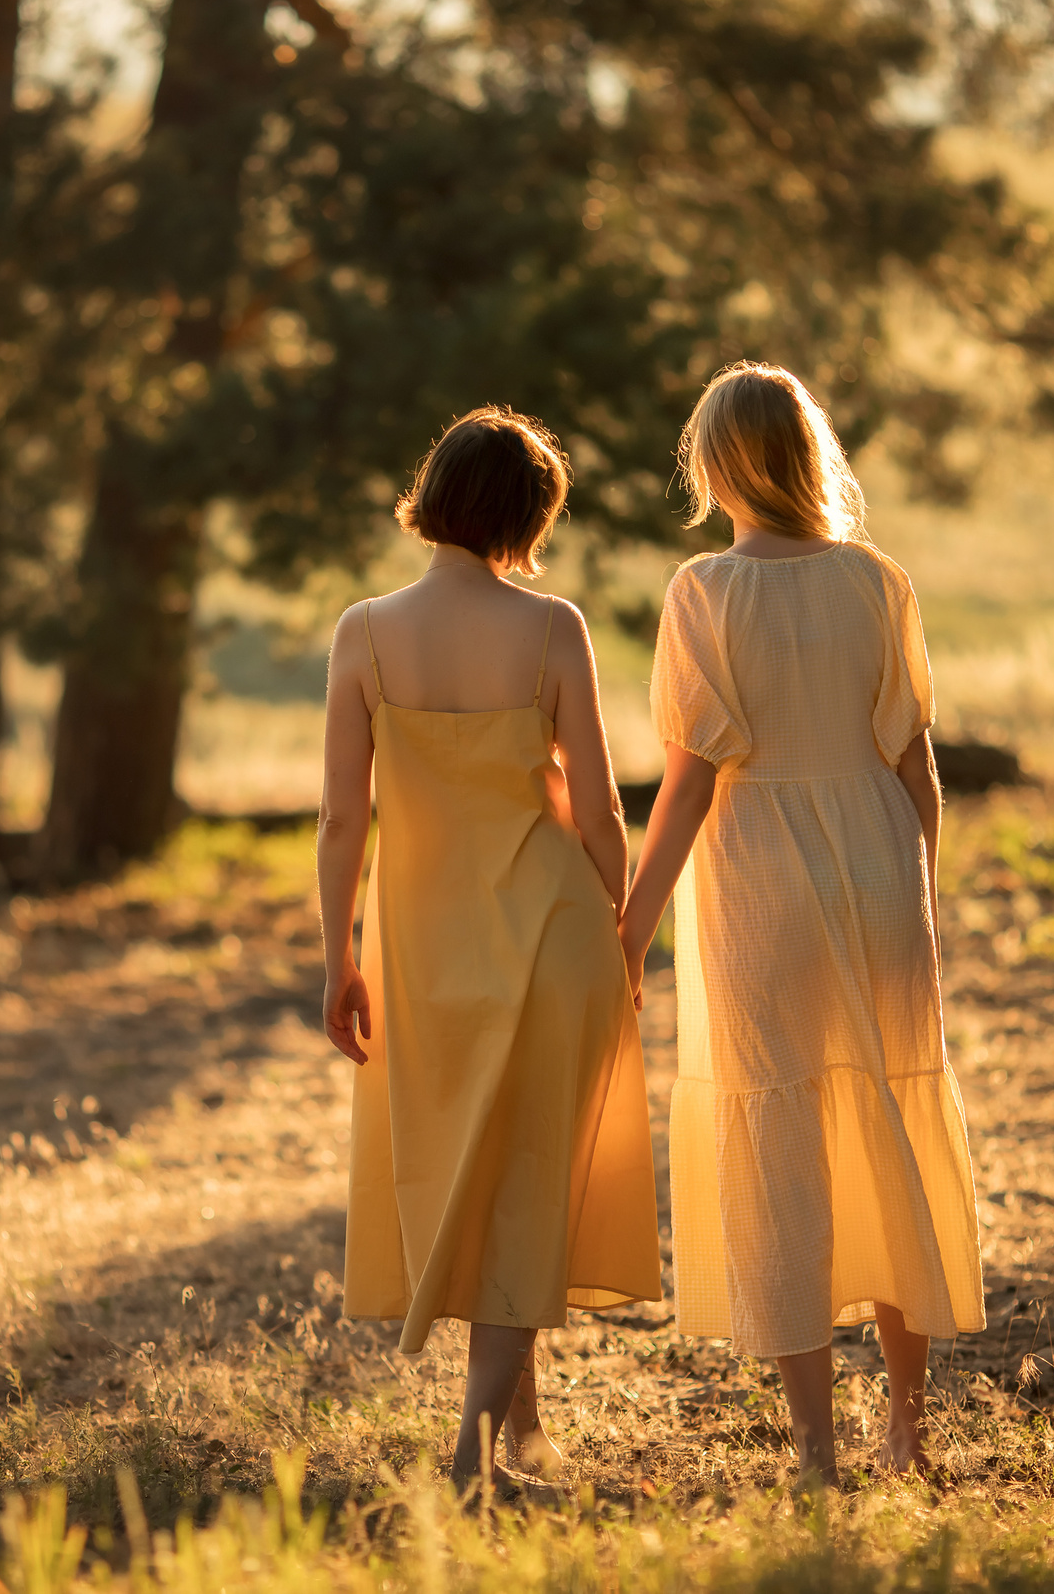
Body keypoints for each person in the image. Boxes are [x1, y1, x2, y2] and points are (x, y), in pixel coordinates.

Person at [616, 363, 983, 1484]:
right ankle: (908, 1431)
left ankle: (817, 1451)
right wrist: (919, 897)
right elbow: (914, 764)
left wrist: (628, 931)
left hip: (758, 881)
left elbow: (684, 786)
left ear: (718, 466)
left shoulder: (702, 592)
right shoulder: (879, 580)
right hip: (879, 865)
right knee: (889, 1126)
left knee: (779, 1145)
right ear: (808, 453)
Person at [317, 407, 662, 1495]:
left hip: (419, 946)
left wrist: (337, 958)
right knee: (520, 1178)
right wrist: (623, 932)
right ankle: (476, 1445)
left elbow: (341, 821)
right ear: (526, 516)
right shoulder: (552, 627)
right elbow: (601, 810)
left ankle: (520, 1433)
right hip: (549, 934)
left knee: (463, 1170)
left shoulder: (363, 632)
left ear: (435, 498)